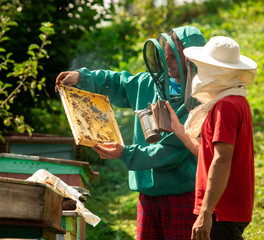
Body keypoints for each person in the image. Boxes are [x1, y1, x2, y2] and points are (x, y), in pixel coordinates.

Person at [56, 26, 206, 239]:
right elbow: (117, 82)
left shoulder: (199, 100)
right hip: (146, 194)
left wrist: (124, 153)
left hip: (181, 194)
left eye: (174, 57)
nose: (167, 62)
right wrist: (81, 77)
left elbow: (169, 151)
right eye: (165, 56)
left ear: (191, 59)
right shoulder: (149, 83)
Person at [165, 36, 257, 240]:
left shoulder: (226, 106)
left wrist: (206, 213)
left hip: (221, 209)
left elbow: (222, 160)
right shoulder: (236, 101)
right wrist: (178, 129)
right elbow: (207, 154)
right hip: (223, 208)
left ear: (216, 71)